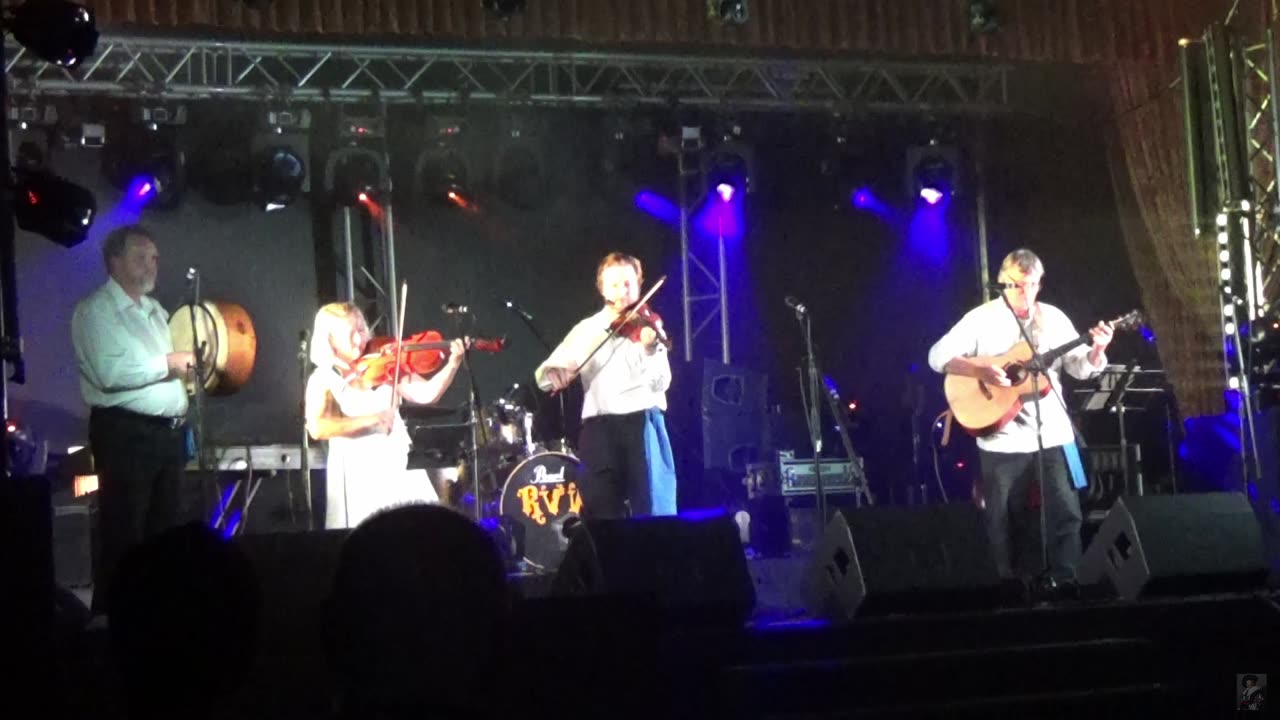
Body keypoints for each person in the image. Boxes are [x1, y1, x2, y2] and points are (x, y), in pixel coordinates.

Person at [927, 249, 1113, 581]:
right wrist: (980, 371)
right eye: (1013, 285)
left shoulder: (1053, 318)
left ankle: (1066, 586)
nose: (1021, 293)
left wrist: (1098, 349)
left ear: (1039, 284)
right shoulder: (980, 318)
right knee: (1003, 522)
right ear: (1001, 283)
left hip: (1053, 434)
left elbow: (1082, 369)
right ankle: (1010, 590)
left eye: (1028, 285)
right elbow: (937, 356)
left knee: (1066, 514)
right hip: (1002, 440)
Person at [70, 224, 196, 609]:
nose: (151, 265)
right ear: (114, 261)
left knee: (166, 535)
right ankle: (111, 623)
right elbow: (110, 373)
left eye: (154, 258)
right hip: (126, 435)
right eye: (141, 258)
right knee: (125, 534)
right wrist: (169, 364)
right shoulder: (96, 311)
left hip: (166, 436)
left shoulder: (156, 312)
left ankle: (158, 618)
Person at [535, 252, 676, 519]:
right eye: (614, 285)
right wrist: (554, 372)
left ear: (639, 284)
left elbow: (662, 383)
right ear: (601, 288)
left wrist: (649, 349)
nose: (622, 291)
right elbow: (543, 377)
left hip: (643, 422)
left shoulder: (650, 326)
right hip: (599, 430)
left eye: (628, 284)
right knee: (600, 514)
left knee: (655, 512)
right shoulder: (586, 329)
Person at [305, 302, 464, 529]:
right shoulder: (323, 378)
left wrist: (453, 363)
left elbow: (427, 394)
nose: (359, 340)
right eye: (350, 334)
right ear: (330, 339)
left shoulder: (385, 362)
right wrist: (372, 420)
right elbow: (318, 427)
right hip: (356, 469)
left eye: (361, 330)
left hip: (397, 461)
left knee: (415, 530)